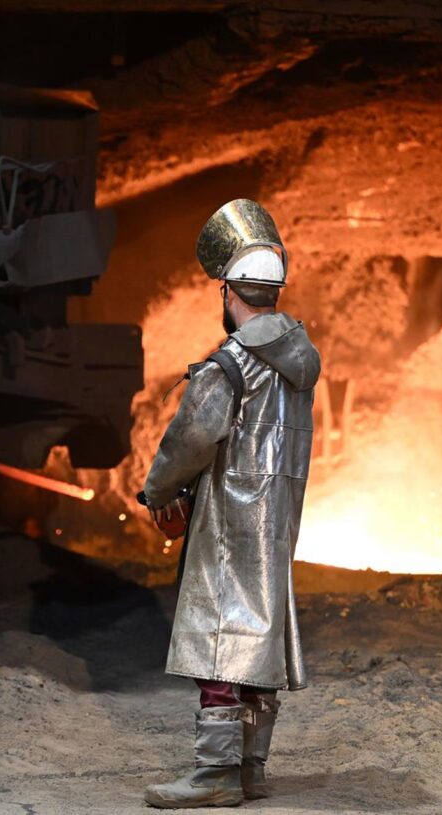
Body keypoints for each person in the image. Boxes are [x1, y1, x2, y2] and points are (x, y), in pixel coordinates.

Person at [141, 199, 320, 808]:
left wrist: (158, 492)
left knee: (218, 639)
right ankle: (251, 766)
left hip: (228, 518)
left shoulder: (232, 365)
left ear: (228, 293)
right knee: (259, 633)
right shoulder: (300, 363)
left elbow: (190, 440)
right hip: (276, 521)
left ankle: (215, 774)